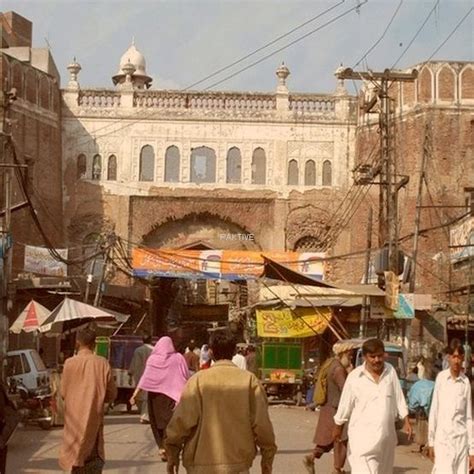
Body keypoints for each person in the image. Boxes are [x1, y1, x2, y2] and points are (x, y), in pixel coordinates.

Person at [165, 329, 277, 474]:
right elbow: (262, 424)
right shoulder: (249, 381)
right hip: (238, 465)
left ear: (210, 352)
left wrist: (172, 454)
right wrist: (267, 460)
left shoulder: (198, 381)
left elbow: (180, 422)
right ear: (234, 351)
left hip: (200, 465)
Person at [333, 338, 413, 474]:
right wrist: (337, 429)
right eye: (372, 357)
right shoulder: (355, 377)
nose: (377, 360)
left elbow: (399, 397)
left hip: (385, 441)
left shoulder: (390, 372)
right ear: (365, 357)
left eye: (380, 356)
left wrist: (406, 421)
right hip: (362, 442)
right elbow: (344, 406)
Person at [59, 328, 117, 473]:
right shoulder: (102, 363)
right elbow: (111, 394)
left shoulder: (69, 363)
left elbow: (62, 393)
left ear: (77, 342)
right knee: (92, 464)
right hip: (93, 427)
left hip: (73, 426)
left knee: (74, 462)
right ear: (94, 343)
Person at [130, 336, 189, 462]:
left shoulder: (153, 359)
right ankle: (168, 447)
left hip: (155, 398)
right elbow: (185, 376)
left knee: (156, 423)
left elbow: (146, 377)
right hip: (171, 396)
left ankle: (162, 447)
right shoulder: (178, 358)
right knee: (169, 422)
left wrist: (135, 394)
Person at [428, 339, 474, 473]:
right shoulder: (441, 379)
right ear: (448, 358)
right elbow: (434, 410)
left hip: (461, 441)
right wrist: (431, 442)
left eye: (459, 357)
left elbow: (469, 418)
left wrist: (471, 450)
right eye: (454, 357)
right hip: (443, 440)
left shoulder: (465, 382)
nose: (456, 361)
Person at [303, 347, 352, 474]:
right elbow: (346, 390)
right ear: (343, 354)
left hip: (327, 407)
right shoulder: (339, 369)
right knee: (341, 438)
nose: (351, 358)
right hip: (336, 409)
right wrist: (350, 374)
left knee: (328, 439)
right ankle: (337, 469)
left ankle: (311, 457)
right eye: (350, 355)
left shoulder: (330, 363)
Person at [407, 367, 435, 454]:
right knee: (427, 426)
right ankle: (425, 444)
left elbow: (412, 400)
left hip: (421, 409)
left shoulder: (416, 384)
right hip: (428, 408)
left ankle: (424, 445)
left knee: (422, 426)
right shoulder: (433, 384)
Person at [128, 332, 154, 423]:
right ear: (151, 340)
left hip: (139, 375)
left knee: (141, 396)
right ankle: (145, 415)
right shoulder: (154, 350)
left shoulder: (138, 350)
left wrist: (130, 375)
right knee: (146, 396)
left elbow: (133, 364)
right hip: (151, 376)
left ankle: (144, 415)